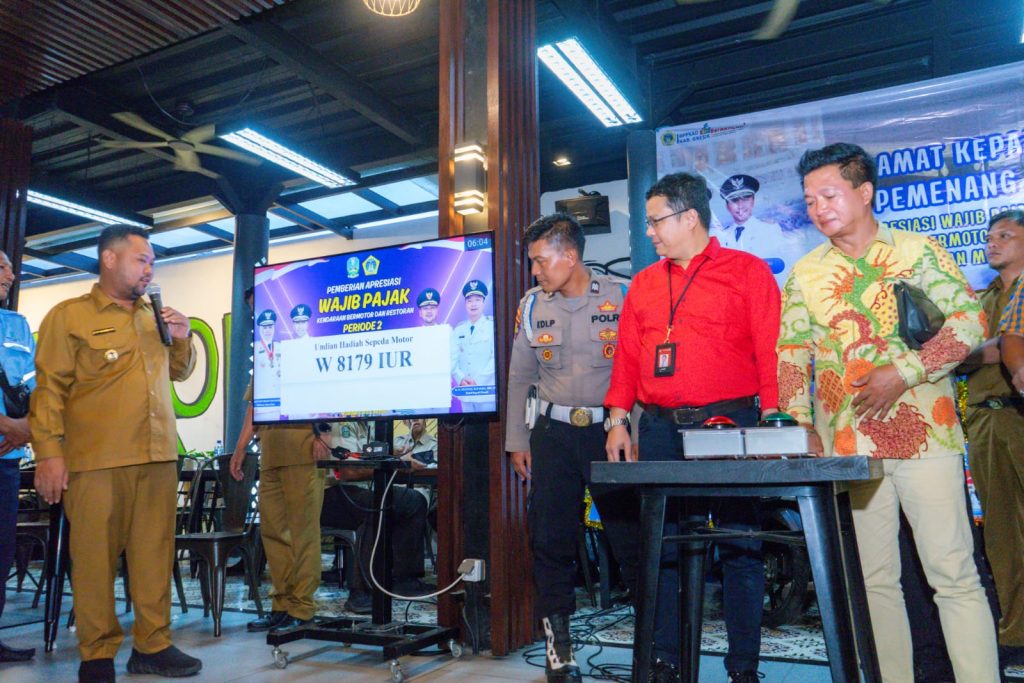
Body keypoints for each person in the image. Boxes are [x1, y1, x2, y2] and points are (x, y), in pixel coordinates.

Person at [777, 142, 998, 682]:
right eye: (810, 200)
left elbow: (970, 322)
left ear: (864, 192)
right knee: (875, 582)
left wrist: (904, 372)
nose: (818, 208)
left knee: (953, 576)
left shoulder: (918, 251)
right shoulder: (805, 273)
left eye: (829, 195)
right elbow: (792, 351)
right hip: (850, 447)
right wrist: (798, 423)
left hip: (928, 436)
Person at [604, 173, 781, 683]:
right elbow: (628, 359)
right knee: (662, 549)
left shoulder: (747, 272)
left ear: (689, 217)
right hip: (661, 430)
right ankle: (666, 662)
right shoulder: (644, 283)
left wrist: (774, 420)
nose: (650, 233)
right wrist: (617, 419)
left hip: (730, 425)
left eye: (656, 221)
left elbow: (771, 351)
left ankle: (743, 668)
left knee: (741, 547)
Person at [31, 225, 202, 682]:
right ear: (109, 259)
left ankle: (153, 645)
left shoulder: (153, 316)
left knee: (155, 555)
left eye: (152, 263)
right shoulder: (70, 316)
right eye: (141, 260)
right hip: (96, 460)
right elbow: (48, 390)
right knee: (93, 559)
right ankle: (97, 653)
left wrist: (182, 336)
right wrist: (48, 453)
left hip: (158, 457)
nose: (149, 270)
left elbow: (179, 373)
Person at [506, 213, 640, 683]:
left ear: (570, 255)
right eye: (532, 262)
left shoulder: (620, 296)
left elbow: (636, 371)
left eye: (541, 261)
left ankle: (653, 643)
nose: (535, 271)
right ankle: (558, 649)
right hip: (552, 435)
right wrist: (517, 441)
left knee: (630, 538)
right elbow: (520, 377)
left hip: (610, 433)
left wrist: (635, 434)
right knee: (550, 541)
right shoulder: (531, 306)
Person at [231, 291, 328, 634]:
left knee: (303, 534)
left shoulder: (305, 346)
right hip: (270, 453)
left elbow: (328, 391)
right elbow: (254, 406)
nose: (256, 314)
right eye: (252, 310)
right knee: (273, 533)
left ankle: (302, 607)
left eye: (258, 306)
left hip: (303, 450)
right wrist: (240, 449)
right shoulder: (265, 352)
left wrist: (324, 435)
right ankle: (281, 605)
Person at [958, 210, 1024, 665]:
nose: (993, 243)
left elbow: (999, 349)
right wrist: (982, 352)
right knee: (1001, 532)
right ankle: (1014, 632)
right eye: (989, 237)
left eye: (1006, 235)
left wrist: (983, 351)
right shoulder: (980, 301)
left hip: (1019, 413)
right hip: (985, 419)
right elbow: (959, 354)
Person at [320, 421, 429, 615]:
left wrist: (393, 454)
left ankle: (403, 579)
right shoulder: (343, 424)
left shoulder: (371, 423)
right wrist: (397, 464)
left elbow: (367, 457)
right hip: (329, 495)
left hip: (360, 489)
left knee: (414, 501)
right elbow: (348, 471)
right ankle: (361, 592)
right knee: (376, 506)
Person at [0, 250, 36, 664]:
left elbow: (36, 382)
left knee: (2, 548)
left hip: (8, 459)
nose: (10, 275)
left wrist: (26, 426)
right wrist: (7, 425)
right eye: (1, 267)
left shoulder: (18, 325)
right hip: (7, 435)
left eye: (11, 267)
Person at [711, 173, 808, 286]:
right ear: (727, 206)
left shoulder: (770, 230)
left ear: (753, 201)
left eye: (746, 198)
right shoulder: (722, 237)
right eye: (734, 200)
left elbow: (784, 269)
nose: (740, 205)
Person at [451, 280, 496, 411]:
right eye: (469, 300)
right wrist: (461, 379)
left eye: (477, 300)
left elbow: (495, 358)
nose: (473, 304)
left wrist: (477, 381)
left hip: (486, 392)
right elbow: (453, 359)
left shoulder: (492, 326)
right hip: (465, 393)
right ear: (465, 304)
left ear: (483, 302)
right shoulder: (458, 330)